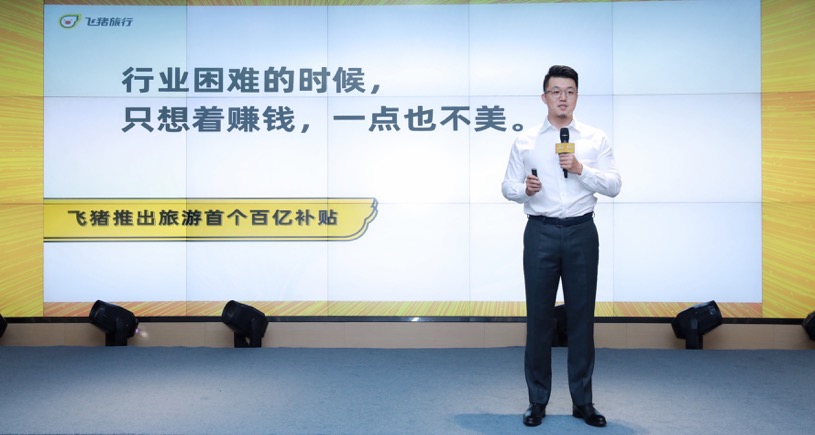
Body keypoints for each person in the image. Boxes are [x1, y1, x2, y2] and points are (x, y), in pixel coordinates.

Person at [501, 65, 621, 428]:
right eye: (556, 91)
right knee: (539, 319)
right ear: (544, 97)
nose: (563, 98)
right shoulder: (526, 141)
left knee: (581, 319)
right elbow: (507, 186)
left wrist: (582, 169)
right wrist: (525, 190)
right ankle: (537, 401)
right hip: (540, 232)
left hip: (581, 232)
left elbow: (614, 185)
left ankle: (583, 402)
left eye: (569, 91)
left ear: (577, 96)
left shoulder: (595, 138)